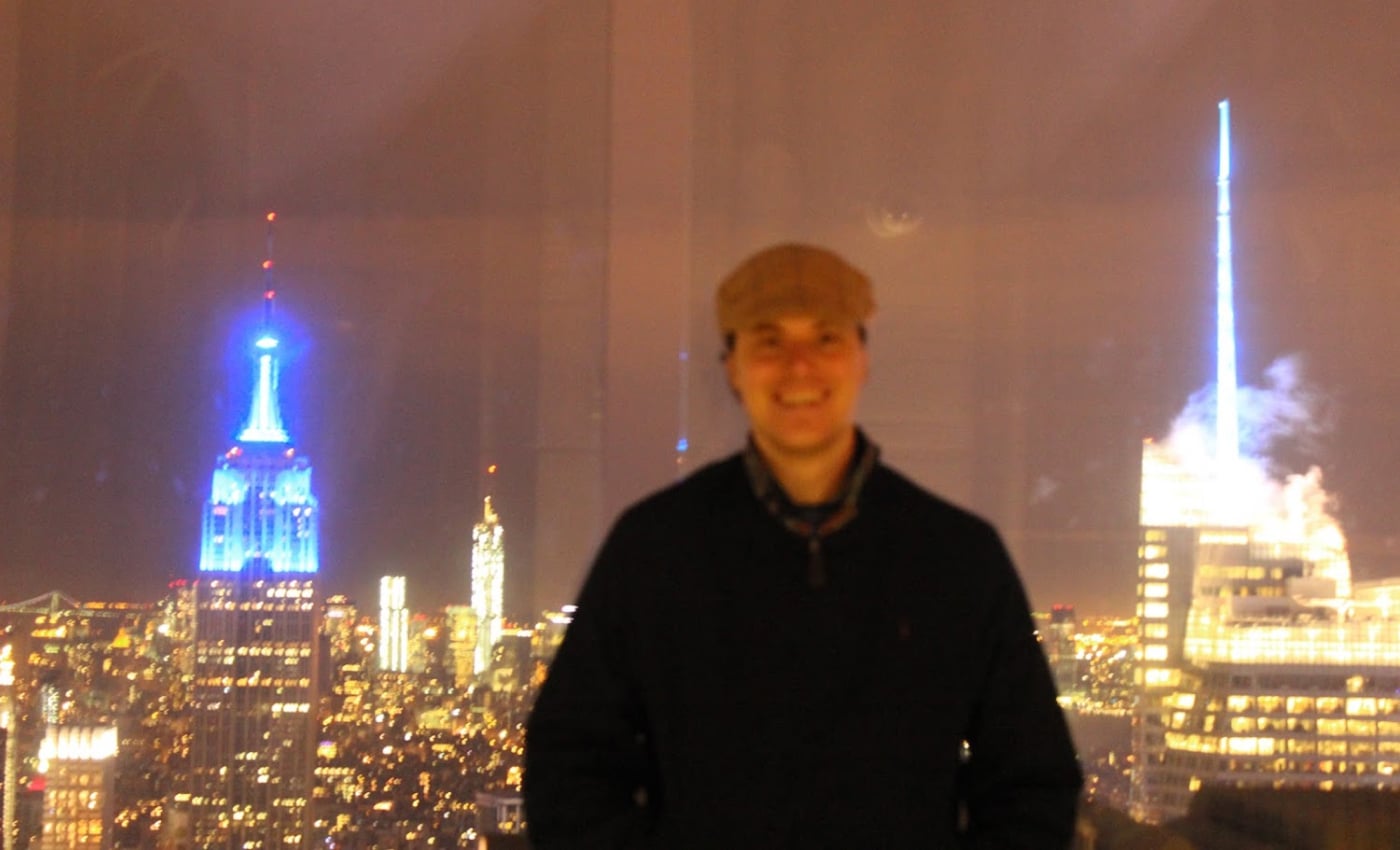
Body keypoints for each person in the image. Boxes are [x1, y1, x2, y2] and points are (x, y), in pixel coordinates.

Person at [524, 243, 1083, 848]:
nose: (798, 367)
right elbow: (568, 769)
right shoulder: (656, 551)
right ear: (732, 367)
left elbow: (1032, 784)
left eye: (826, 339)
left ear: (862, 359)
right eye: (768, 340)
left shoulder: (957, 559)